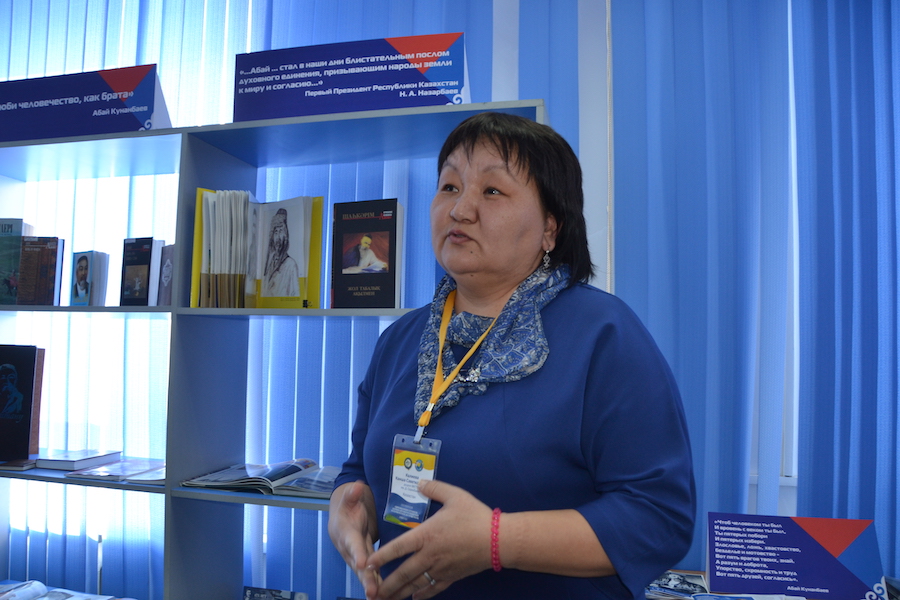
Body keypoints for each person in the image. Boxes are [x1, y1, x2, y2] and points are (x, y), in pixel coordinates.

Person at [328, 112, 695, 600]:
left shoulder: (604, 335)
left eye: (492, 191)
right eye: (450, 187)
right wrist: (350, 507)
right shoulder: (399, 339)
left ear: (550, 228)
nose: (460, 210)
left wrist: (500, 541)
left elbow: (659, 517)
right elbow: (361, 469)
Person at [263, 208, 301, 297]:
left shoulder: (291, 265)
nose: (278, 237)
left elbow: (296, 294)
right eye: (276, 232)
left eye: (281, 231)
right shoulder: (270, 264)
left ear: (285, 235)